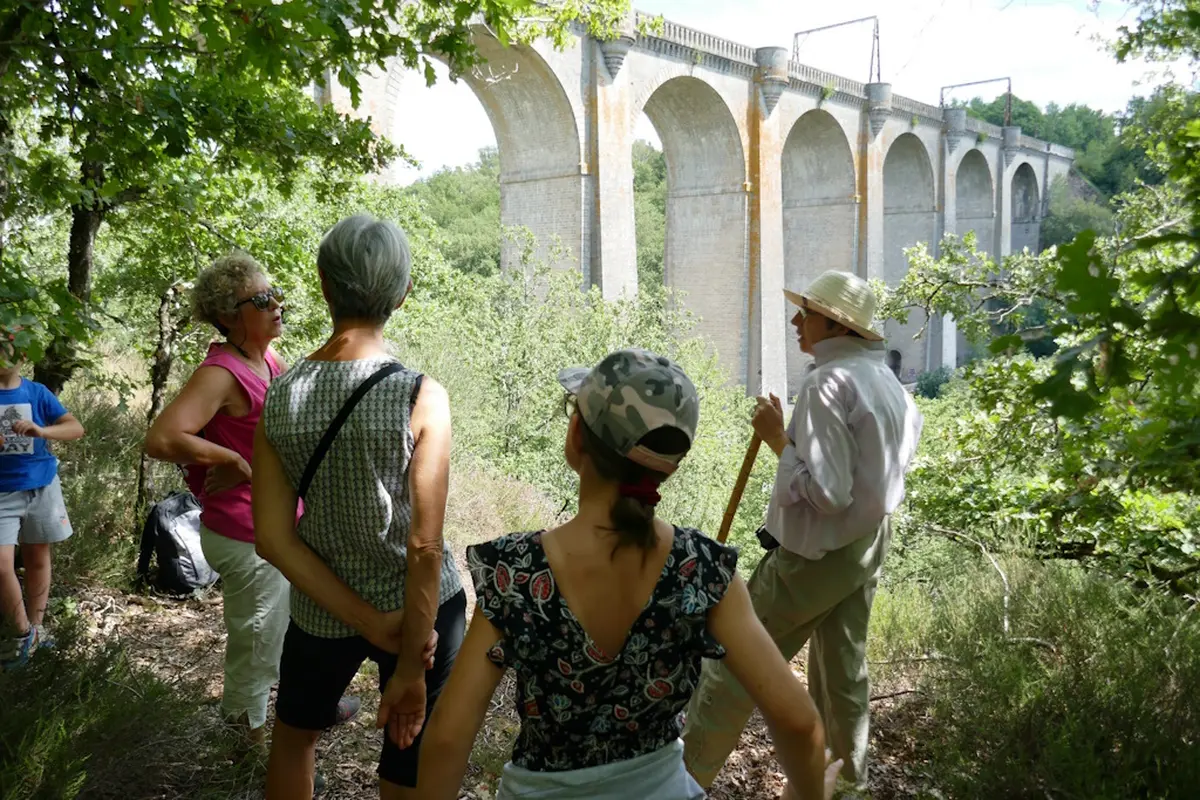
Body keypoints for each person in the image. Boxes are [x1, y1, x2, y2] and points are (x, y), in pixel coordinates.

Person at [416, 348, 842, 800]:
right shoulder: (700, 569)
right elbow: (797, 721)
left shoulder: (516, 572)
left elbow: (447, 739)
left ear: (576, 433)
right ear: (668, 465)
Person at [682, 270, 924, 794]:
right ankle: (843, 786)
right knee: (842, 673)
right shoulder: (890, 384)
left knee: (734, 668)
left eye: (806, 312)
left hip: (813, 557)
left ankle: (683, 783)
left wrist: (777, 439)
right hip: (865, 547)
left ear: (835, 324)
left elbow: (829, 493)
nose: (796, 320)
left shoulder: (826, 383)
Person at [253, 214, 465, 800]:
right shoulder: (422, 395)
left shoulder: (282, 393)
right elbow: (424, 545)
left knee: (295, 741)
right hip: (425, 615)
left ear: (324, 285)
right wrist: (409, 667)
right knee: (407, 755)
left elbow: (272, 537)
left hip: (323, 612)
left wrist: (364, 621)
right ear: (404, 292)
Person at [144, 253, 357, 749]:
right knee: (257, 643)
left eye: (274, 293)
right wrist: (230, 460)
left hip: (272, 526)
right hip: (245, 535)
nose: (276, 304)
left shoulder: (267, 361)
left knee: (282, 631)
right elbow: (161, 437)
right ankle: (248, 749)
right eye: (262, 299)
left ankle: (307, 708)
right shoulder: (220, 373)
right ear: (228, 315)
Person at [0, 328, 85, 670]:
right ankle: (24, 634)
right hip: (2, 492)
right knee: (2, 565)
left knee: (38, 556)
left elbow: (75, 428)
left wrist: (42, 430)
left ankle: (36, 628)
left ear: (23, 355)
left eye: (9, 349)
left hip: (41, 485)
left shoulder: (37, 392)